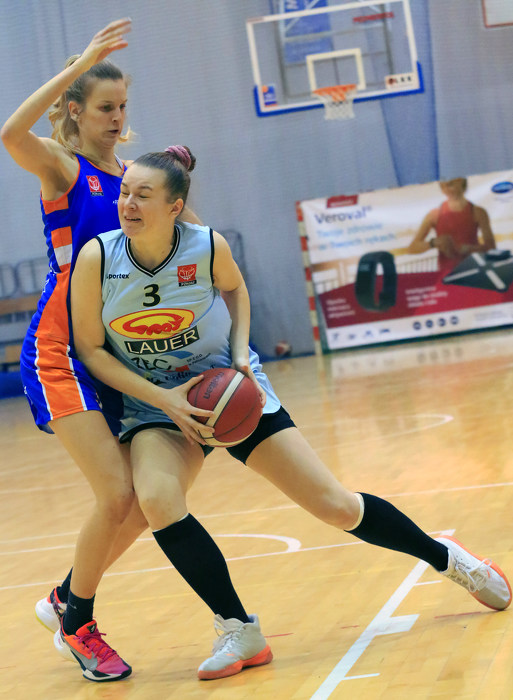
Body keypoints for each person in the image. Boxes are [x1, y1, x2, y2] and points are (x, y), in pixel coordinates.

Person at [69, 146, 512, 680]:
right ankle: (240, 630)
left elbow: (236, 291)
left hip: (229, 390)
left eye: (143, 195)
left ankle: (450, 559)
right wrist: (163, 399)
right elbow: (90, 349)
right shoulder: (97, 258)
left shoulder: (206, 245)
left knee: (336, 507)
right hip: (158, 403)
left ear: (175, 206)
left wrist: (239, 356)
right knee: (159, 500)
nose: (127, 204)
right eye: (124, 193)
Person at [0, 18, 207, 683]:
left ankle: (66, 597)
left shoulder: (134, 178)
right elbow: (9, 135)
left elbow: (192, 244)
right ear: (74, 110)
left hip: (115, 351)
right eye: (104, 107)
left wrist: (176, 188)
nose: (117, 118)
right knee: (115, 493)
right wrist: (77, 64)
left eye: (122, 106)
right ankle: (78, 624)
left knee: (146, 499)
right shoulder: (63, 167)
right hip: (60, 349)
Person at [407, 177, 496, 276]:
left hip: (474, 271)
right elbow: (412, 248)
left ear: (461, 182)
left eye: (450, 184)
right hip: (447, 275)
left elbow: (491, 247)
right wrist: (433, 243)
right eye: (442, 186)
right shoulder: (434, 215)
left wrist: (469, 249)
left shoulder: (478, 212)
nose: (446, 189)